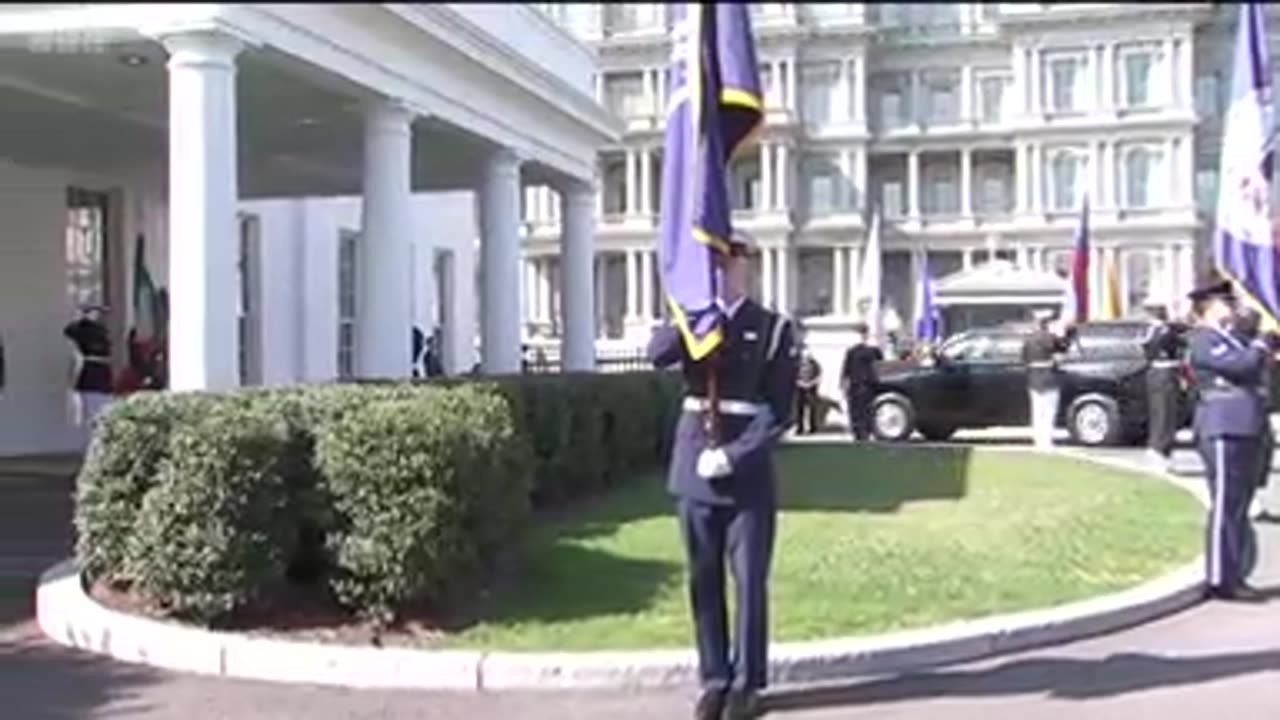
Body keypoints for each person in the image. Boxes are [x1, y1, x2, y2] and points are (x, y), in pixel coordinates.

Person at [646, 233, 798, 720]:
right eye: (714, 265)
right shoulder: (696, 322)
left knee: (750, 580)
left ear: (746, 269)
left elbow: (779, 411)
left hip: (745, 474)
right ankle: (714, 678)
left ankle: (748, 682)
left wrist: (735, 454)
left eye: (730, 265)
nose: (723, 272)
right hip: (694, 467)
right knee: (703, 579)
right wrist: (692, 314)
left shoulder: (773, 329)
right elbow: (656, 354)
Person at [1185, 279, 1270, 601]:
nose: (1233, 308)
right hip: (1223, 424)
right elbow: (1239, 366)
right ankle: (1221, 578)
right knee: (1225, 505)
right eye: (1226, 303)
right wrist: (1259, 347)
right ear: (1208, 308)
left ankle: (1236, 572)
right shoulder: (1203, 339)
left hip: (1247, 424)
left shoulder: (1233, 339)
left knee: (1239, 506)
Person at [1232, 306, 1278, 521]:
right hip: (1240, 405)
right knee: (1245, 454)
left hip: (1260, 404)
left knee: (1263, 451)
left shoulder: (1263, 342)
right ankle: (1243, 501)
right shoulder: (1234, 343)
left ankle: (1253, 498)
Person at [1141, 302, 1187, 466]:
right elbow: (1181, 342)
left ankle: (1157, 445)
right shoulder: (1166, 331)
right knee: (1165, 412)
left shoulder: (1150, 331)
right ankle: (1161, 446)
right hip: (1166, 372)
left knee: (1159, 411)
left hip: (1155, 371)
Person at [1021, 310, 1071, 449]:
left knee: (1037, 412)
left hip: (1033, 378)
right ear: (1048, 323)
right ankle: (1047, 441)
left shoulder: (1028, 339)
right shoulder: (1051, 338)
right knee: (1049, 412)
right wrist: (1063, 334)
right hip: (1050, 377)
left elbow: (1024, 359)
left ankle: (1038, 441)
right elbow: (1064, 349)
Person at [63, 304, 114, 428]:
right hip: (90, 373)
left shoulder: (102, 330)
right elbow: (69, 330)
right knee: (93, 414)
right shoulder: (82, 329)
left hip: (103, 374)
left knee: (104, 412)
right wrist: (81, 316)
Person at [840, 323, 882, 441]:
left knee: (860, 409)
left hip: (862, 384)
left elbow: (846, 370)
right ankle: (862, 430)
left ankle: (861, 430)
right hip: (863, 384)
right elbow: (846, 369)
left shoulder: (859, 351)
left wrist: (844, 383)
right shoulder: (868, 351)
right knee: (860, 409)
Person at [794, 346, 822, 435]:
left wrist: (811, 383)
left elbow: (819, 375)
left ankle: (813, 427)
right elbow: (792, 375)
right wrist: (800, 383)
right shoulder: (797, 363)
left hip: (812, 388)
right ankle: (800, 428)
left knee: (812, 409)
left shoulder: (815, 364)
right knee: (799, 409)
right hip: (800, 388)